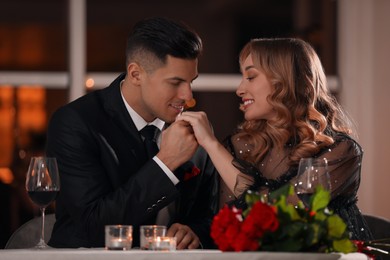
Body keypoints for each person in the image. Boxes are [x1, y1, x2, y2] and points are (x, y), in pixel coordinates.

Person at [46, 17, 218, 249]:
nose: (188, 95)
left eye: (191, 81)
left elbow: (211, 216)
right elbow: (93, 225)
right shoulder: (75, 122)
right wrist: (165, 163)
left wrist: (194, 232)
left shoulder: (195, 129)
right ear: (136, 74)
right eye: (175, 82)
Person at [177, 37, 373, 241]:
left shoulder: (341, 151)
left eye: (251, 77)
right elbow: (229, 228)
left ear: (287, 81)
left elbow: (278, 216)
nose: (239, 89)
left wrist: (211, 144)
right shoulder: (238, 147)